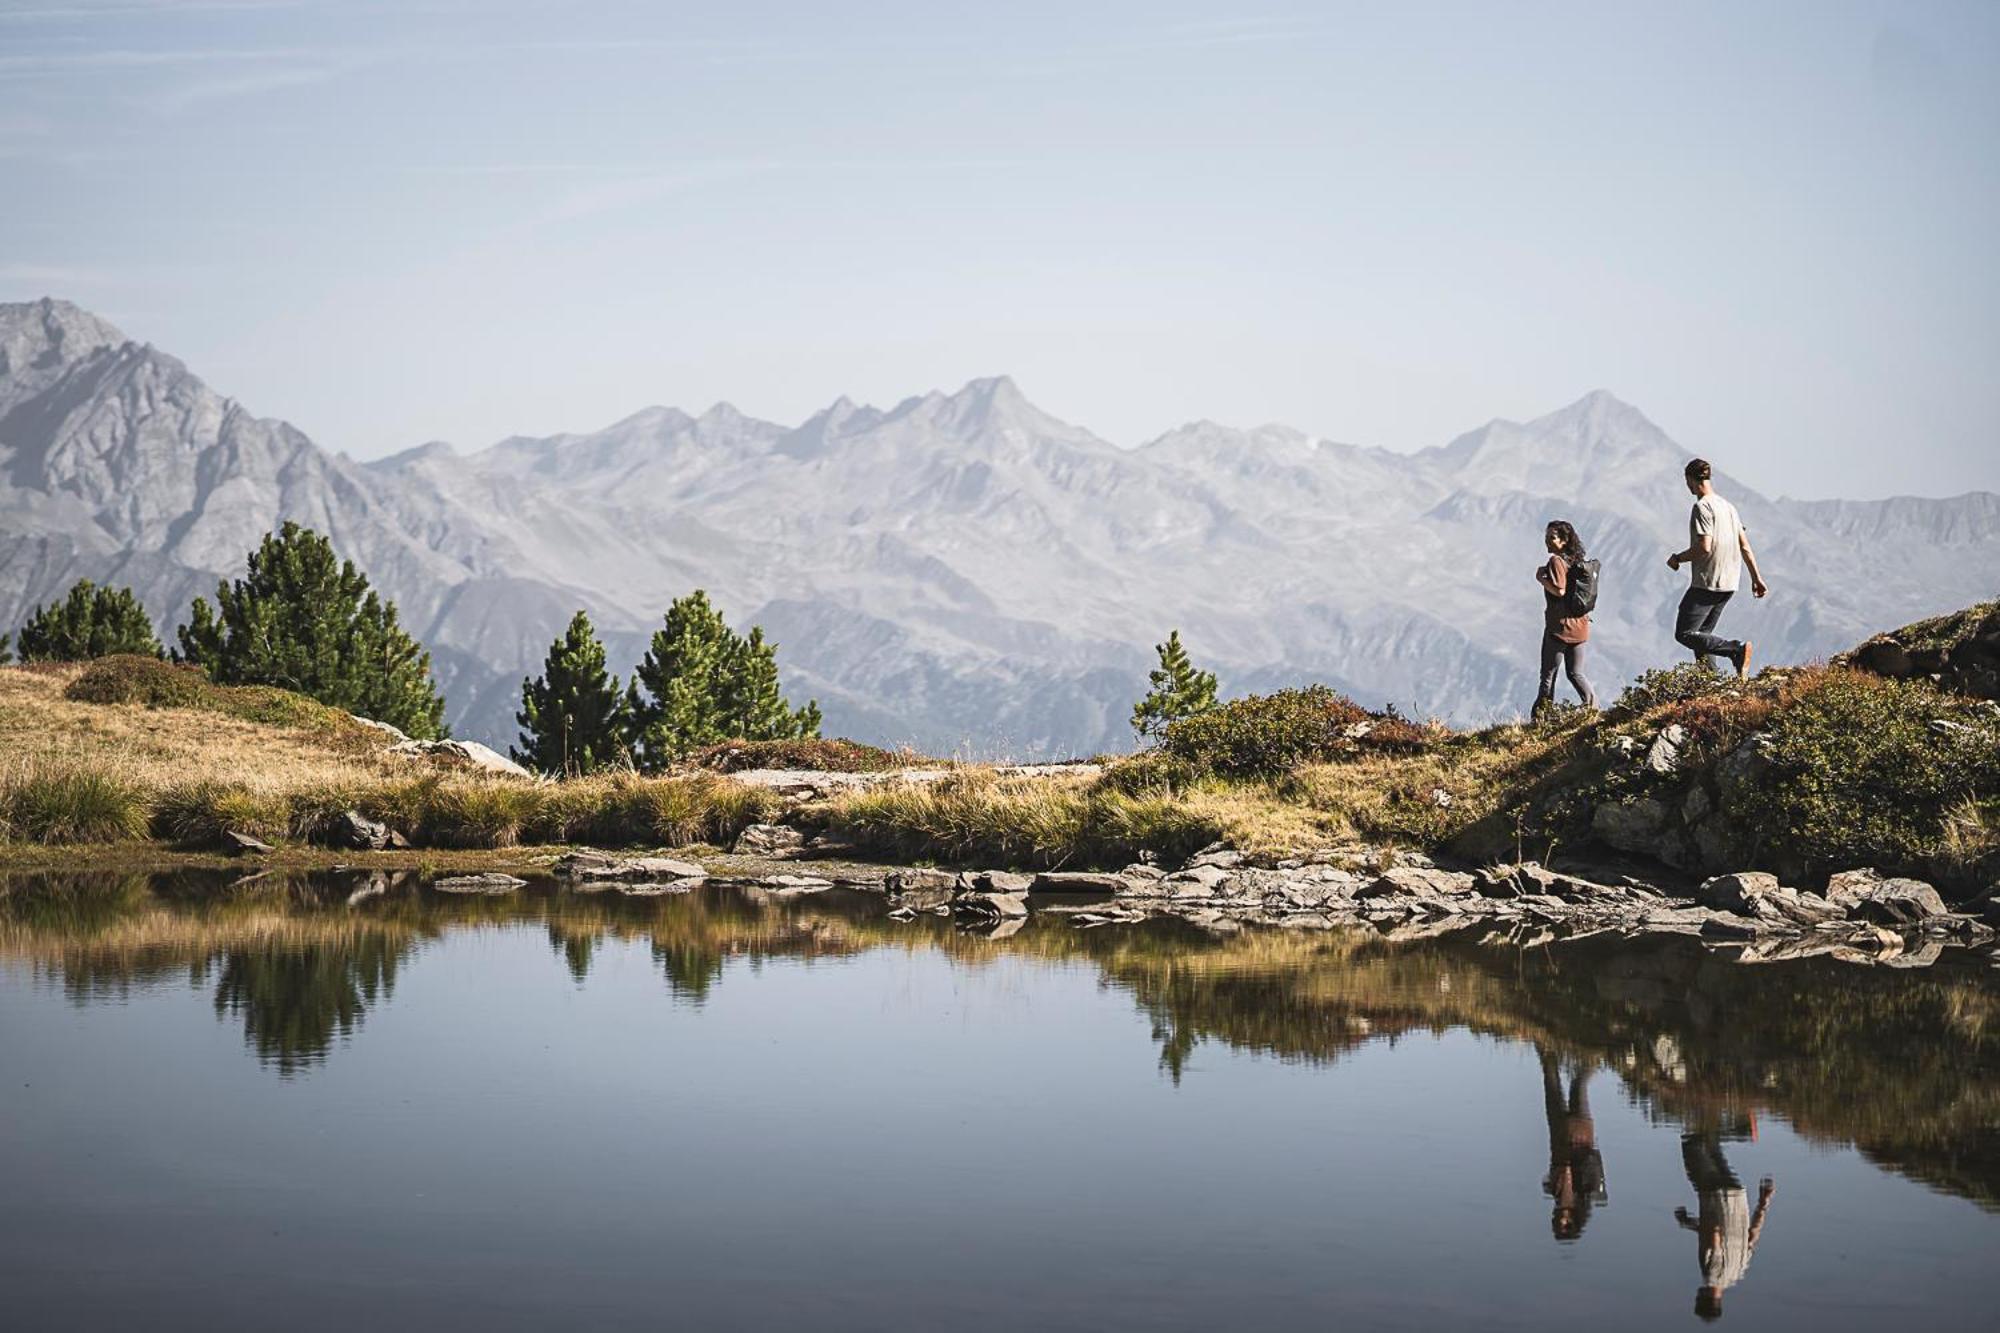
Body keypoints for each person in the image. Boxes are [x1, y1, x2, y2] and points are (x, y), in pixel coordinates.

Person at [1666, 459, 1768, 676]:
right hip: (1730, 583)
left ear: (1690, 480)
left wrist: (1677, 558)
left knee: (1684, 633)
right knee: (1702, 635)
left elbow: (1704, 547)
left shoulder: (1702, 507)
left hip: (1708, 582)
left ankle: (1735, 650)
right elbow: (1745, 545)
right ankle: (1710, 682)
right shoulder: (1729, 507)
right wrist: (1756, 578)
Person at [1675, 1127, 1775, 1322]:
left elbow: (1752, 1236)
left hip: (1737, 1196)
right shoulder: (1710, 1272)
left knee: (1711, 1147)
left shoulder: (1739, 1272)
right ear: (1700, 1297)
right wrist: (1691, 1223)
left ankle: (1732, 1125)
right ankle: (1742, 1130)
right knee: (1692, 1145)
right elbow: (1714, 1233)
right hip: (1716, 1197)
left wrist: (1764, 1202)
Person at [1538, 1046, 1606, 1241]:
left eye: (1560, 1223)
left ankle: (1596, 1053)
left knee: (1561, 1081)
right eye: (1568, 1224)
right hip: (1577, 1135)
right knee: (1575, 1084)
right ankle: (1601, 1051)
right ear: (1577, 1220)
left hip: (1562, 1133)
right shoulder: (1586, 1192)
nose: (1563, 1220)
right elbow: (1589, 1160)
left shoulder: (1556, 1191)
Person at [1533, 519, 1597, 715]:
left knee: (1548, 675)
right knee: (1576, 673)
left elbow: (1560, 590)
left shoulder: (1556, 561)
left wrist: (1541, 579)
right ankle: (1593, 709)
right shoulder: (1576, 562)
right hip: (1580, 627)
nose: (1547, 541)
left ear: (1564, 540)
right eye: (1546, 537)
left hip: (1559, 629)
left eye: (1552, 537)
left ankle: (1541, 718)